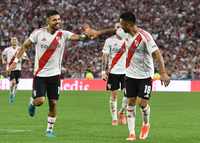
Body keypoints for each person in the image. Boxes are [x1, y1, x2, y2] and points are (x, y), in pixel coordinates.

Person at [83, 12, 170, 140]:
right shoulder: (125, 33)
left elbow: (157, 53)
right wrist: (97, 33)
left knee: (142, 104)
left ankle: (146, 124)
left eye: (121, 24)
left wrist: (163, 73)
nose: (119, 27)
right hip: (129, 74)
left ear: (127, 25)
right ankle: (132, 133)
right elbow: (113, 31)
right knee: (131, 102)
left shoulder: (145, 37)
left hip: (145, 75)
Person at [7, 10, 88, 137]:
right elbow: (23, 46)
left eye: (59, 19)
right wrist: (15, 61)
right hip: (40, 75)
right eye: (55, 20)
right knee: (40, 101)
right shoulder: (38, 34)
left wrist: (86, 35)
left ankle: (49, 130)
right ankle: (32, 102)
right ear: (48, 21)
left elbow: (80, 37)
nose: (58, 22)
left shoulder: (63, 34)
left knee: (53, 103)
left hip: (55, 75)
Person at [101, 22, 127, 125]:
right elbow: (105, 56)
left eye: (121, 27)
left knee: (128, 94)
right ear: (114, 29)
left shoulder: (128, 40)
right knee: (114, 95)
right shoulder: (109, 41)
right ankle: (114, 119)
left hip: (126, 71)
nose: (119, 29)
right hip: (113, 72)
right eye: (117, 27)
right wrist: (103, 71)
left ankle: (122, 112)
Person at [1, 37, 29, 104]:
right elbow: (3, 55)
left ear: (17, 41)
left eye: (15, 39)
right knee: (13, 82)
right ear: (11, 41)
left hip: (18, 70)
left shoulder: (20, 49)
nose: (14, 40)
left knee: (16, 85)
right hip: (10, 69)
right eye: (13, 39)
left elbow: (27, 59)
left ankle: (12, 95)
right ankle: (11, 96)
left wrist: (23, 57)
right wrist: (3, 60)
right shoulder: (7, 49)